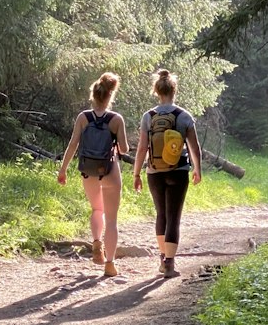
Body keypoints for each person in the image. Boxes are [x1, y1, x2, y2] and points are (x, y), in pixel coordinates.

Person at [57, 71, 130, 277]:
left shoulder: (83, 117)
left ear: (94, 95)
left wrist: (63, 170)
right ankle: (110, 263)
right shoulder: (116, 119)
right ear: (110, 96)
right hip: (110, 170)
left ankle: (97, 242)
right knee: (112, 220)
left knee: (97, 209)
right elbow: (123, 149)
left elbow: (73, 145)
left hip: (88, 170)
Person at [133, 68, 202, 278]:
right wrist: (198, 169)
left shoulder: (148, 116)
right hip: (178, 170)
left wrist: (136, 173)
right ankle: (170, 264)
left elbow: (142, 148)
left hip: (154, 172)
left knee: (161, 214)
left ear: (157, 91)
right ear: (174, 90)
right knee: (174, 216)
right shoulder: (183, 116)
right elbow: (194, 147)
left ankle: (162, 259)